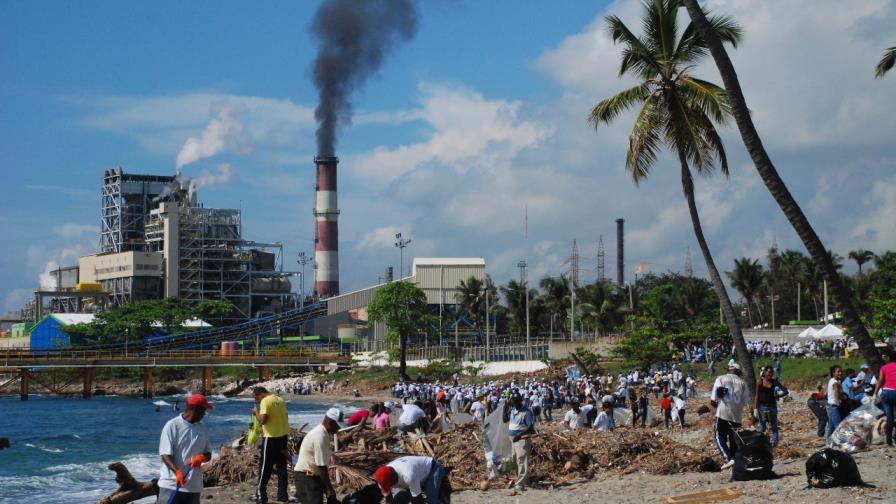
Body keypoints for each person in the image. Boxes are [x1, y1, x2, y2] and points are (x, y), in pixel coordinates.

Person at [157, 394, 213, 504]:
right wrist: (177, 472)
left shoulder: (202, 428)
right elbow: (165, 454)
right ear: (194, 409)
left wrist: (202, 457)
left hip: (194, 487)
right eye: (203, 410)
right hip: (172, 484)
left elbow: (208, 453)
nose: (204, 413)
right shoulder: (172, 425)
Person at [294, 408, 342, 504]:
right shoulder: (320, 436)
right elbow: (321, 467)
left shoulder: (322, 433)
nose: (338, 429)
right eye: (338, 426)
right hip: (307, 478)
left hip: (309, 477)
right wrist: (329, 490)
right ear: (331, 422)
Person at [251, 386, 290, 503]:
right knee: (281, 467)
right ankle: (282, 495)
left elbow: (263, 420)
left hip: (271, 437)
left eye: (255, 398)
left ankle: (261, 494)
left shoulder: (265, 401)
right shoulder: (280, 399)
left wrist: (255, 412)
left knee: (265, 467)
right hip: (283, 436)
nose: (256, 401)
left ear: (260, 394)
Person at [711, 362, 749, 470]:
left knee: (719, 437)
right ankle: (735, 461)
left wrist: (716, 406)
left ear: (729, 370)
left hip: (723, 412)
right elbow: (745, 401)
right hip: (737, 415)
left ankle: (727, 458)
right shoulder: (743, 383)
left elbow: (713, 399)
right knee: (734, 440)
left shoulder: (721, 379)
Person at [375, 456, 447, 504]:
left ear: (393, 475)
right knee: (398, 500)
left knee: (431, 500)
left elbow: (417, 500)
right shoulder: (382, 478)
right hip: (414, 479)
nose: (391, 486)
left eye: (390, 484)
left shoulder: (408, 475)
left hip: (433, 469)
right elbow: (389, 499)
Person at [503, 392, 534, 493]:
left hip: (522, 440)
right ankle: (522, 481)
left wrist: (519, 435)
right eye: (513, 401)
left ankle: (520, 485)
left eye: (516, 401)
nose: (515, 403)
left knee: (521, 462)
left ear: (520, 400)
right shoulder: (512, 410)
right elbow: (504, 420)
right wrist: (505, 408)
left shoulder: (526, 412)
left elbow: (531, 428)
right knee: (514, 461)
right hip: (513, 440)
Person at [754, 367, 788, 447]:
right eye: (769, 372)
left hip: (772, 406)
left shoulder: (774, 382)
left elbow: (785, 391)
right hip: (762, 406)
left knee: (774, 426)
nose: (770, 374)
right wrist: (755, 408)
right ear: (764, 373)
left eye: (772, 372)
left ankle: (775, 444)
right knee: (762, 426)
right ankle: (761, 443)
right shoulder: (760, 382)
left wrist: (778, 395)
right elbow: (757, 396)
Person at [872, 349, 896, 446]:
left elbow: (880, 381)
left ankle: (889, 440)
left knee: (889, 417)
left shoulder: (884, 367)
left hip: (886, 393)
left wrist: (875, 394)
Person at [826, 365, 844, 442]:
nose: (840, 373)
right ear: (833, 373)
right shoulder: (835, 383)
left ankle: (828, 442)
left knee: (832, 427)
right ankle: (841, 443)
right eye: (838, 372)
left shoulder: (832, 380)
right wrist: (842, 397)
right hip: (833, 407)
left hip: (830, 406)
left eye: (841, 371)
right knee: (838, 426)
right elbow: (837, 394)